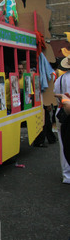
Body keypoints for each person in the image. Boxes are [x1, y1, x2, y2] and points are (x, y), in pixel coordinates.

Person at [53, 56, 70, 184]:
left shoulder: (60, 79)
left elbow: (56, 96)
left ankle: (67, 175)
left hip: (62, 113)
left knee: (64, 144)